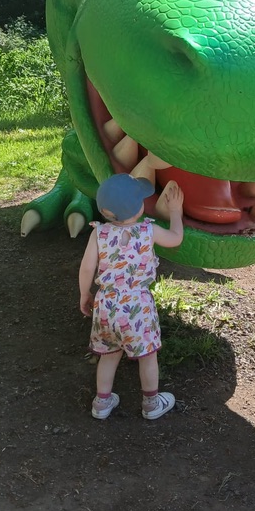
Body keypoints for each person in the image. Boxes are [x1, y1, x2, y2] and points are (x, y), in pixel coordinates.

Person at [79, 173, 184, 420]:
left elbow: (86, 268)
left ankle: (102, 404)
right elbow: (176, 238)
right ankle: (151, 404)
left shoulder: (99, 234)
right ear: (138, 208)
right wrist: (176, 211)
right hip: (138, 307)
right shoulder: (148, 231)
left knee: (109, 354)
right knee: (147, 357)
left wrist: (85, 294)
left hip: (106, 304)